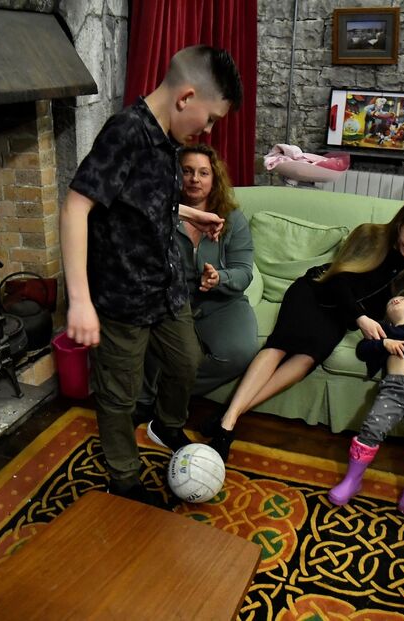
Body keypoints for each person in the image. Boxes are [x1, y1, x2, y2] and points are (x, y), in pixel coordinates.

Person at [60, 45, 243, 507]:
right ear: (186, 97)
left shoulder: (169, 141)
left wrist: (187, 214)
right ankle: (124, 480)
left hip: (167, 289)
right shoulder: (126, 131)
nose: (208, 129)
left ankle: (165, 423)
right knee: (118, 398)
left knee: (186, 360)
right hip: (121, 300)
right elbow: (77, 206)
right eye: (211, 118)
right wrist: (80, 301)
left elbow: (138, 201)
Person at [202, 196, 404, 461]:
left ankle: (228, 416)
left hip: (339, 319)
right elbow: (338, 280)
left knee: (305, 361)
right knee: (280, 346)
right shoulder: (370, 235)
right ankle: (227, 427)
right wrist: (360, 317)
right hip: (315, 293)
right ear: (399, 224)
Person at [137, 143, 259, 418]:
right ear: (176, 175)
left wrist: (219, 278)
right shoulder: (158, 213)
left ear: (214, 178)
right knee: (161, 349)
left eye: (203, 173)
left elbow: (244, 271)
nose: (194, 179)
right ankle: (152, 401)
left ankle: (164, 394)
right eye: (187, 171)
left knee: (240, 352)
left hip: (221, 302)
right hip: (172, 304)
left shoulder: (232, 218)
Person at [328, 295, 404, 532]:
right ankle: (351, 481)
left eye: (402, 299)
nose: (394, 301)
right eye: (390, 301)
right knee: (372, 428)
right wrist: (384, 344)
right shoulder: (385, 329)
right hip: (393, 388)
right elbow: (363, 349)